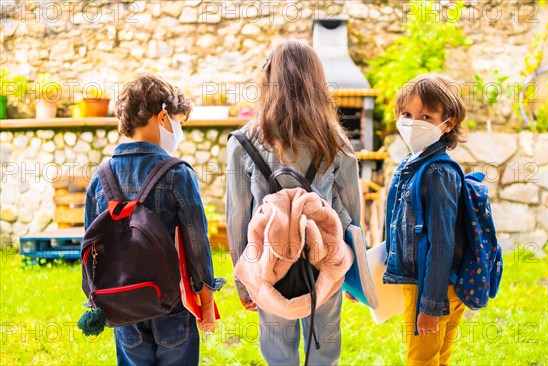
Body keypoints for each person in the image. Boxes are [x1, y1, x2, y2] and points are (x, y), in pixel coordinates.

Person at [226, 40, 361, 365]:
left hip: (269, 263)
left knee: (278, 353)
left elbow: (237, 221)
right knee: (324, 350)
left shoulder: (242, 143)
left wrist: (245, 283)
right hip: (325, 260)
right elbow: (353, 217)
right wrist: (354, 276)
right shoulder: (336, 142)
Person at [84, 74, 225, 366]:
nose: (178, 131)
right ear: (163, 117)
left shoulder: (100, 177)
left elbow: (89, 245)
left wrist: (95, 303)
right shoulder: (177, 173)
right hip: (172, 306)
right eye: (179, 123)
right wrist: (207, 302)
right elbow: (196, 244)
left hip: (121, 306)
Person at [384, 73, 467, 365]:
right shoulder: (413, 165)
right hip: (433, 284)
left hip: (432, 288)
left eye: (427, 116)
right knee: (436, 359)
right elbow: (399, 232)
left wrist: (430, 306)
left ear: (449, 123)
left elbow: (442, 245)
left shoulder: (436, 173)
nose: (413, 122)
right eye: (407, 114)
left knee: (421, 360)